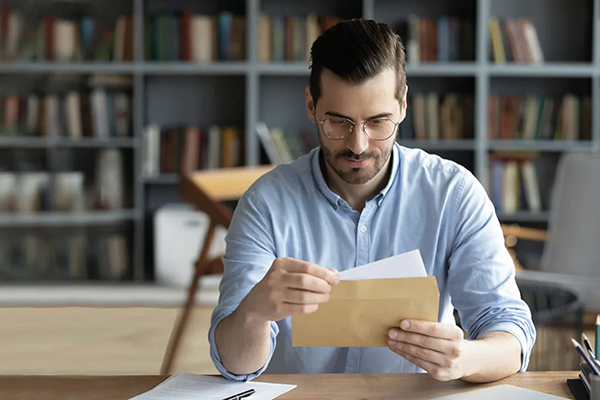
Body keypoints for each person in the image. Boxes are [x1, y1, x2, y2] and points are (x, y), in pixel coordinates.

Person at [209, 18, 535, 383]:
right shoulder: (265, 204)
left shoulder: (454, 195)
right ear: (311, 105)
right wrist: (253, 313)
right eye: (339, 122)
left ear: (403, 106)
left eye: (378, 122)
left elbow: (510, 331)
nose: (358, 145)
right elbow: (235, 365)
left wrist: (467, 358)